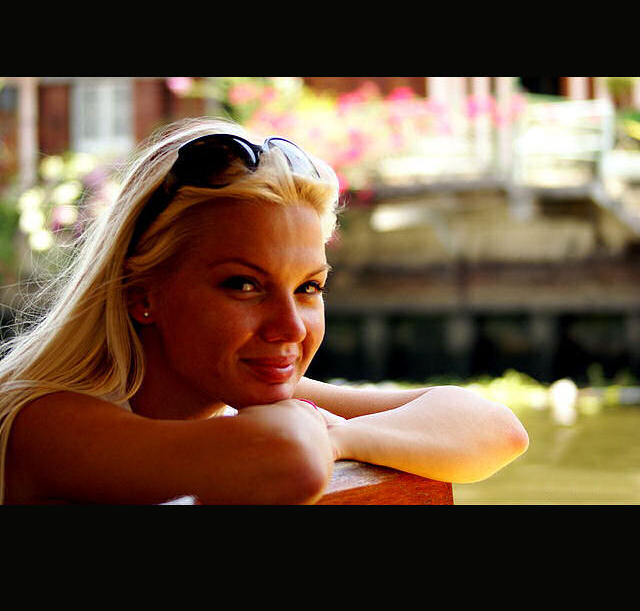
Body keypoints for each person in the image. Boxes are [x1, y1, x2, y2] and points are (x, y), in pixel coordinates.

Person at [0, 117, 528, 505]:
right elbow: (288, 460)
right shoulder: (46, 424)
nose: (290, 326)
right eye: (244, 285)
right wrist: (314, 431)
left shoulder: (239, 394)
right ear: (142, 295)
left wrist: (339, 437)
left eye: (308, 287)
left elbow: (495, 429)